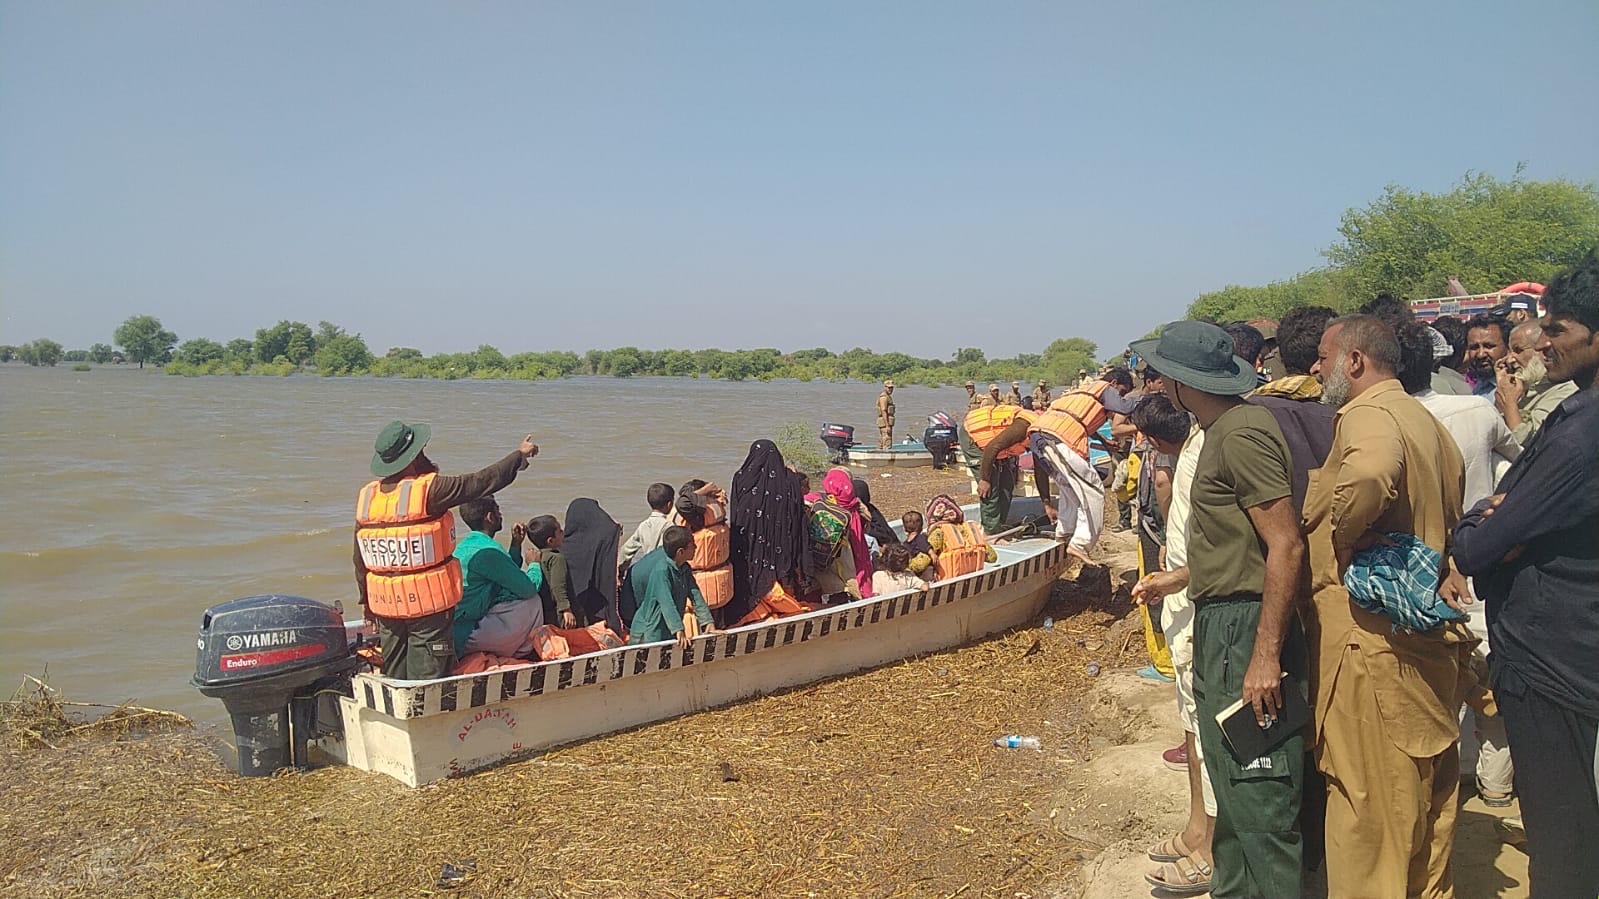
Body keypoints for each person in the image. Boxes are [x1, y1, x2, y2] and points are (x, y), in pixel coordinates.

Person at [1129, 320, 1308, 898]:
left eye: (1161, 376)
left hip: (1244, 626)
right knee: (1230, 787)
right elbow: (1239, 544)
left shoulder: (1240, 434)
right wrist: (1178, 578)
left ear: (1183, 384)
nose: (1156, 386)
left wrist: (1265, 654)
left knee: (1258, 789)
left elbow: (1285, 543)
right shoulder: (1220, 429)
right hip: (1220, 618)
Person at [1302, 314, 1476, 897]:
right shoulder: (1423, 419)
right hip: (1417, 645)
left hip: (1372, 646)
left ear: (1354, 361)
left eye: (1325, 358)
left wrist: (1344, 535)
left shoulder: (1369, 417)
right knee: (1425, 802)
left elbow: (1371, 473)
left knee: (1368, 807)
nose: (1317, 368)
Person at [1452, 250, 1599, 898]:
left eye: (1558, 328)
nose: (1543, 342)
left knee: (1560, 832)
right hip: (1571, 644)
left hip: (1549, 659)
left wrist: (1474, 529)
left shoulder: (1577, 434)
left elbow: (1482, 545)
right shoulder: (1573, 413)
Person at [354, 422, 539, 680]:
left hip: (388, 610)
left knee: (395, 676)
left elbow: (361, 558)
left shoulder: (369, 499)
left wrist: (366, 603)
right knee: (430, 676)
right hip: (428, 613)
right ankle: (426, 718)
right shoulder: (429, 491)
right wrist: (519, 456)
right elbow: (479, 482)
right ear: (414, 457)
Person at [1131, 393, 1216, 896]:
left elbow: (1229, 545)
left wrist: (1173, 578)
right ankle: (1195, 829)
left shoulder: (1211, 447)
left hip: (1197, 598)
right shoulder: (1190, 449)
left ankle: (1209, 850)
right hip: (1184, 598)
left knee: (1206, 729)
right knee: (1190, 720)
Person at [726, 439, 808, 626]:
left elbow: (736, 516)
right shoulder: (788, 482)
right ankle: (784, 608)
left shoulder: (741, 478)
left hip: (748, 549)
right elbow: (796, 516)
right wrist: (792, 477)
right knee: (781, 582)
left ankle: (758, 612)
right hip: (780, 550)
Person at [450, 496, 543, 659]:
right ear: (490, 517)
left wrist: (515, 545)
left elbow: (502, 574)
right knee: (532, 601)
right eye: (498, 511)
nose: (501, 515)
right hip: (467, 632)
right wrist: (534, 565)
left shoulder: (465, 546)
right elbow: (527, 588)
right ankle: (523, 651)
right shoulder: (488, 551)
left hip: (458, 624)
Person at [621, 526, 716, 649]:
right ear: (680, 552)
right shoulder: (661, 571)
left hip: (667, 629)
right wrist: (679, 629)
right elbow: (667, 603)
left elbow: (696, 595)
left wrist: (708, 622)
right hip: (649, 632)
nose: (696, 548)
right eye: (692, 545)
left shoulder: (684, 569)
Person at [1497, 319, 1577, 443]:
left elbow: (1530, 441)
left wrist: (1510, 402)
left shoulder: (1564, 389)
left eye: (1518, 351)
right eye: (1510, 352)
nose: (1510, 360)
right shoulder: (1529, 386)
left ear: (1540, 349)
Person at [964, 402, 1035, 533]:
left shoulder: (1041, 433)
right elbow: (992, 447)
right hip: (975, 436)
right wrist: (984, 479)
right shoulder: (1022, 428)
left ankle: (999, 525)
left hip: (997, 445)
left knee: (1008, 482)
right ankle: (990, 531)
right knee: (991, 485)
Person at [809, 469, 874, 598]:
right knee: (850, 576)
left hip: (824, 548)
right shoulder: (854, 503)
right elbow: (868, 518)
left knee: (828, 577)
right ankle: (860, 596)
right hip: (847, 550)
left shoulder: (817, 499)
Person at [563, 498, 622, 633]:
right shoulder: (597, 542)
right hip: (594, 610)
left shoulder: (561, 548)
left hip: (564, 614)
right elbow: (608, 530)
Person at [924, 495, 997, 579]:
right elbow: (992, 557)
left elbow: (922, 563)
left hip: (948, 581)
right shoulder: (969, 530)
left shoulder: (938, 532)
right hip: (974, 578)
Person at [528, 515, 574, 629]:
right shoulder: (556, 558)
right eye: (559, 531)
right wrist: (566, 609)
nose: (563, 532)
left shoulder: (537, 558)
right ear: (550, 540)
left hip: (544, 612)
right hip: (558, 612)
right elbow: (558, 586)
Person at [618, 483, 675, 573]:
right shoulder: (669, 526)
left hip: (646, 569)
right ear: (670, 504)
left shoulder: (644, 525)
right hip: (661, 570)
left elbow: (627, 550)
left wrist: (620, 570)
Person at [1463, 314, 1510, 397]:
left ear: (1508, 347)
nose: (1481, 355)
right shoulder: (1478, 387)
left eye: (1489, 346)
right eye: (1474, 347)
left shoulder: (1517, 390)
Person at [899, 510, 935, 577]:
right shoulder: (920, 538)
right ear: (921, 526)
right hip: (925, 572)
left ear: (904, 529)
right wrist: (932, 553)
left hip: (914, 573)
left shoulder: (904, 544)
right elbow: (925, 546)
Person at [877, 380, 896, 449]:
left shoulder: (888, 396)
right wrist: (887, 425)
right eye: (888, 388)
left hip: (886, 423)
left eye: (891, 388)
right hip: (885, 423)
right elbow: (883, 410)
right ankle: (885, 456)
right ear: (885, 387)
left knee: (884, 440)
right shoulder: (884, 397)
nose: (890, 389)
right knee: (887, 441)